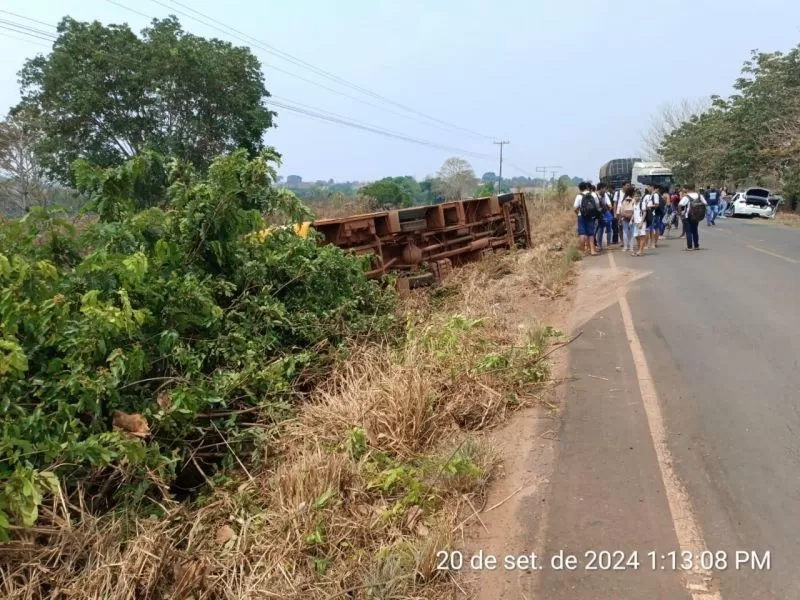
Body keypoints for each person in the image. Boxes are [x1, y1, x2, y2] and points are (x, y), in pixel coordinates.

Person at [679, 184, 708, 250]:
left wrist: (681, 214)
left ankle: (689, 247)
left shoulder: (686, 196)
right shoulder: (699, 195)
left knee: (689, 231)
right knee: (695, 230)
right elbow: (705, 203)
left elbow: (680, 204)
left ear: (687, 189)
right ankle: (696, 246)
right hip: (697, 215)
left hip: (688, 215)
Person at [574, 181, 599, 256]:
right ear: (586, 187)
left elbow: (575, 207)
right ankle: (592, 251)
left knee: (582, 233)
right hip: (591, 216)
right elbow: (597, 205)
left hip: (581, 216)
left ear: (580, 188)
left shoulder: (579, 196)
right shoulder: (593, 194)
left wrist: (578, 213)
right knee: (590, 233)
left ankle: (582, 252)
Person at [594, 182, 613, 250]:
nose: (605, 190)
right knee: (599, 230)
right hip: (597, 216)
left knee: (602, 229)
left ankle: (603, 244)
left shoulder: (605, 195)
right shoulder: (594, 195)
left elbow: (610, 205)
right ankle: (599, 244)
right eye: (605, 189)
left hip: (603, 214)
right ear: (601, 188)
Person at [619, 187, 636, 252]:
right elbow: (635, 210)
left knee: (625, 232)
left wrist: (623, 216)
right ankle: (631, 247)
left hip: (624, 217)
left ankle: (625, 247)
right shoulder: (634, 200)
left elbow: (621, 210)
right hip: (632, 217)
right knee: (632, 232)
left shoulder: (624, 200)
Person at [632, 190, 648, 256]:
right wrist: (631, 220)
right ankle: (639, 250)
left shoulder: (642, 203)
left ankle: (641, 251)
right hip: (635, 222)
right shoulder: (634, 204)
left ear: (640, 197)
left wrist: (641, 222)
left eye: (638, 196)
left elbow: (644, 212)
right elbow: (634, 213)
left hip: (641, 222)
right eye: (635, 196)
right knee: (637, 236)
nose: (636, 197)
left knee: (642, 236)